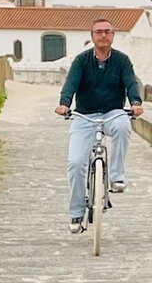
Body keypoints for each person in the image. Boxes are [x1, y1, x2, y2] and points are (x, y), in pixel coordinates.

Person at [54, 18, 144, 234]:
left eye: (107, 32)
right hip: (84, 116)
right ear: (92, 36)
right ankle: (77, 213)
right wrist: (64, 104)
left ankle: (116, 177)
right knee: (76, 163)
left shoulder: (122, 61)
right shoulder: (81, 61)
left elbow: (131, 82)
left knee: (123, 127)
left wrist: (135, 102)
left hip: (113, 112)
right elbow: (71, 83)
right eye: (99, 32)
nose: (103, 35)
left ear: (113, 35)